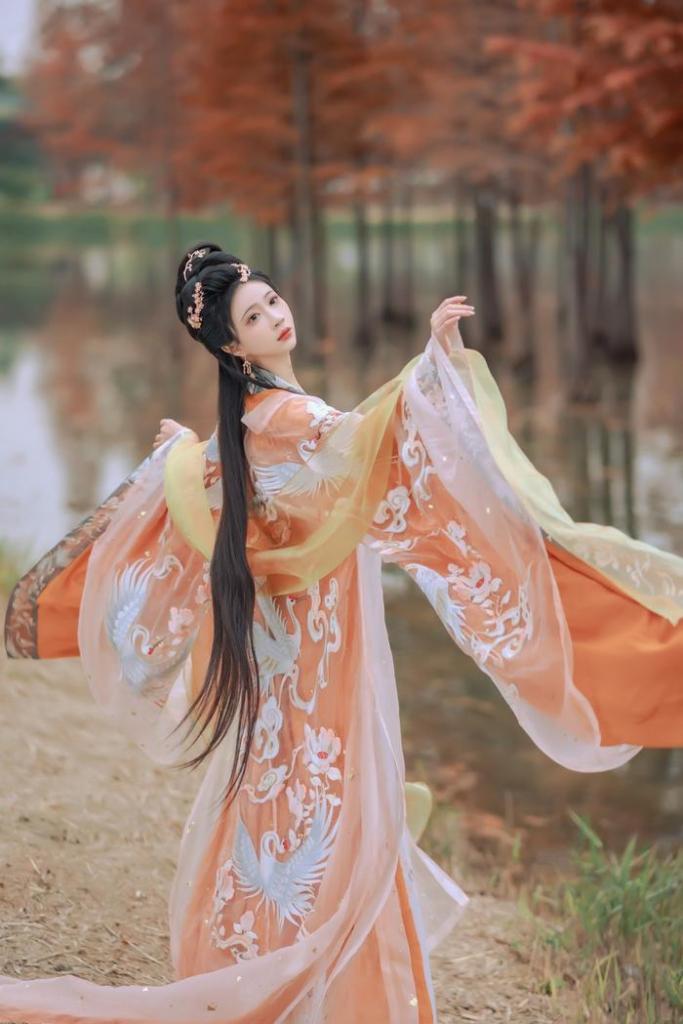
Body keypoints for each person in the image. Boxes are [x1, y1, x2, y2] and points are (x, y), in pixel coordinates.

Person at [2, 242, 682, 1023]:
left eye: (271, 300)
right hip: (318, 648)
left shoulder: (250, 420)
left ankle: (254, 965)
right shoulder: (287, 415)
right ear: (231, 345)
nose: (274, 316)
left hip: (280, 647)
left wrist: (182, 460)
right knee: (333, 802)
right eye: (253, 316)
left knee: (279, 795)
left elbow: (259, 486)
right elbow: (368, 443)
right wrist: (433, 365)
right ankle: (333, 994)